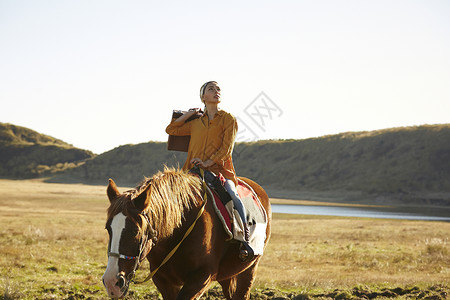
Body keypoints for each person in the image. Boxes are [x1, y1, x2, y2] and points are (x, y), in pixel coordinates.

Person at [165, 81, 252, 261]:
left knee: (233, 196)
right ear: (203, 97)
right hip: (191, 171)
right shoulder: (195, 122)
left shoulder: (228, 119)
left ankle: (245, 238)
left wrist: (207, 162)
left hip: (220, 170)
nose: (216, 91)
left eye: (218, 89)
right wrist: (188, 114)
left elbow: (226, 149)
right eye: (211, 89)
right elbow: (171, 129)